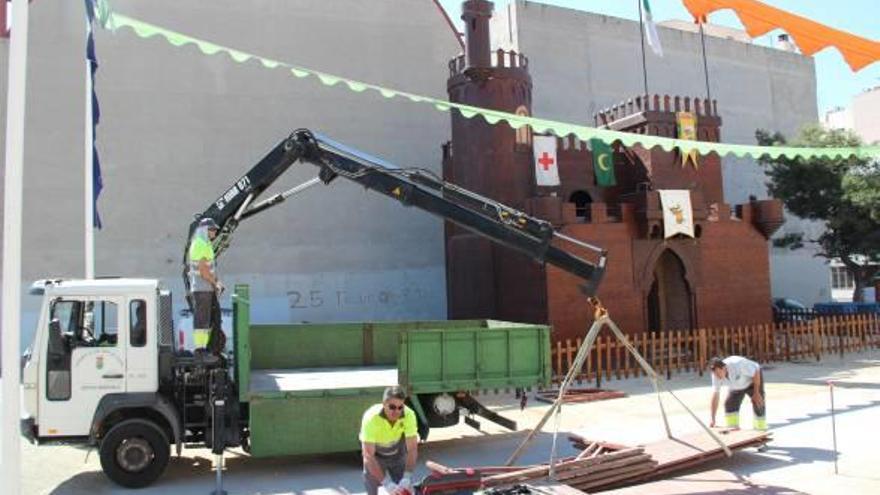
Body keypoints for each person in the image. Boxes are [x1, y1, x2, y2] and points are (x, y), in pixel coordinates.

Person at [360, 386, 419, 495]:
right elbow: (368, 455)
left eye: (400, 407)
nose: (396, 411)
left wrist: (406, 476)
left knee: (405, 490)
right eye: (392, 407)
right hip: (376, 456)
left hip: (398, 454)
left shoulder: (409, 415)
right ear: (384, 404)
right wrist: (386, 483)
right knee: (371, 484)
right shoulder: (371, 418)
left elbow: (412, 449)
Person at [187, 217, 225, 353]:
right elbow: (203, 271)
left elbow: (209, 269)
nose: (215, 231)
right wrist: (216, 283)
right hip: (202, 288)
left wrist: (216, 283)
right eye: (212, 229)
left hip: (205, 288)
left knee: (206, 319)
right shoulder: (200, 244)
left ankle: (204, 347)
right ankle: (200, 348)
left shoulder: (205, 244)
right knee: (202, 319)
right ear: (204, 230)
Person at [708, 355, 766, 431]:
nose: (717, 376)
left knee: (758, 403)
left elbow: (756, 371)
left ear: (724, 368)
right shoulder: (715, 375)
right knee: (729, 404)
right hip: (736, 386)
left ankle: (760, 430)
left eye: (718, 373)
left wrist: (756, 392)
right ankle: (733, 429)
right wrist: (713, 418)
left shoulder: (738, 364)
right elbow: (715, 395)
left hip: (753, 381)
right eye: (715, 374)